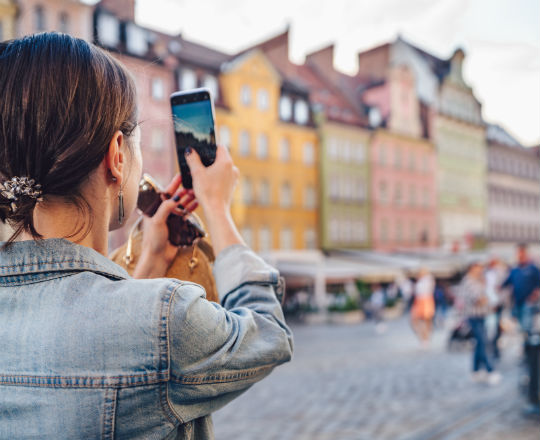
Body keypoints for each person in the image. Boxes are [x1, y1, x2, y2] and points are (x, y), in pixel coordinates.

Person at [0, 33, 293, 439]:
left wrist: (151, 260)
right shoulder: (163, 318)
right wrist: (216, 205)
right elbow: (269, 334)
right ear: (117, 156)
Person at [459, 262, 501, 385]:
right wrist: (488, 301)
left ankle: (476, 370)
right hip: (474, 315)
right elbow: (478, 299)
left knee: (479, 343)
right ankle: (489, 370)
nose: (481, 270)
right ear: (472, 268)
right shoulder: (468, 281)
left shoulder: (478, 280)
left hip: (481, 315)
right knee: (483, 342)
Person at [501, 243, 540, 335]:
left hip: (528, 302)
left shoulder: (533, 269)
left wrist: (535, 295)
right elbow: (507, 282)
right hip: (517, 301)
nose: (520, 255)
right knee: (520, 326)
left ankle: (529, 346)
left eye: (522, 252)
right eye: (518, 252)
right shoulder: (515, 269)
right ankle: (525, 345)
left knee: (527, 326)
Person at [410, 268, 435, 348]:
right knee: (416, 321)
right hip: (419, 301)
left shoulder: (427, 280)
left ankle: (425, 339)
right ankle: (423, 338)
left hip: (425, 300)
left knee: (426, 321)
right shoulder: (420, 282)